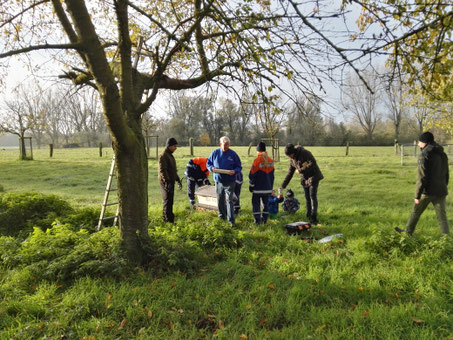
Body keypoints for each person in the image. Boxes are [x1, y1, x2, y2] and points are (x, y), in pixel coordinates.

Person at [395, 132, 450, 235]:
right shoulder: (442, 153)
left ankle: (407, 233)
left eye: (419, 141)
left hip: (427, 192)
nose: (418, 144)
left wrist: (417, 195)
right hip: (441, 190)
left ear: (425, 142)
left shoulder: (424, 154)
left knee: (415, 212)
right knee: (442, 217)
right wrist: (444, 186)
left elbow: (422, 177)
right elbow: (447, 173)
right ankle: (447, 239)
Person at [280, 143, 324, 225]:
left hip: (314, 176)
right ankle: (308, 215)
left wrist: (301, 170)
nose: (289, 157)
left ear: (293, 152)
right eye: (288, 156)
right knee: (307, 198)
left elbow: (313, 162)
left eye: (290, 155)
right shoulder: (292, 160)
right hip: (305, 179)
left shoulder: (304, 153)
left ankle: (314, 219)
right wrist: (283, 186)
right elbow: (290, 173)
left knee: (312, 196)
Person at [207, 136, 242, 226]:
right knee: (220, 199)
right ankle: (221, 217)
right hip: (218, 181)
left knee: (229, 200)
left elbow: (239, 166)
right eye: (225, 144)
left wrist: (234, 171)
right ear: (220, 144)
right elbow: (208, 163)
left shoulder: (233, 154)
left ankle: (231, 221)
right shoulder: (215, 153)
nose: (226, 146)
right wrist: (211, 168)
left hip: (230, 181)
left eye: (228, 144)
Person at [249, 141, 274, 224]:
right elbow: (272, 176)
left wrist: (251, 185)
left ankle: (257, 220)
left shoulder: (257, 161)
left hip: (257, 188)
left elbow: (252, 175)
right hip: (267, 188)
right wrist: (270, 188)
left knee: (256, 204)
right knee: (266, 204)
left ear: (258, 151)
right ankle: (265, 219)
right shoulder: (270, 160)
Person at [158, 137, 182, 223]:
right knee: (167, 201)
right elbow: (162, 170)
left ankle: (170, 219)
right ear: (169, 146)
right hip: (165, 182)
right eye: (174, 146)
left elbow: (172, 170)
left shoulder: (170, 155)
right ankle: (167, 220)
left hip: (170, 181)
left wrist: (177, 179)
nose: (176, 148)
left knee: (170, 201)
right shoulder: (163, 155)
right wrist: (167, 182)